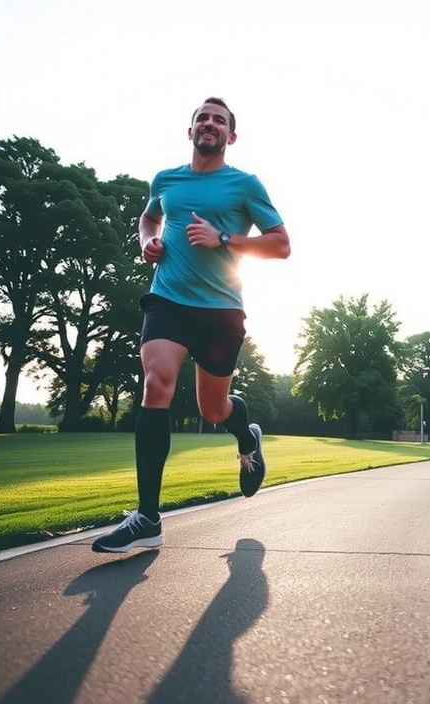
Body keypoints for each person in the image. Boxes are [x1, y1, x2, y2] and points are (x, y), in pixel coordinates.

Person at [93, 97, 290, 553]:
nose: (209, 123)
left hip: (220, 310)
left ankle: (246, 433)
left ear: (230, 137)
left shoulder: (244, 185)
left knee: (212, 411)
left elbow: (281, 245)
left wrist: (224, 238)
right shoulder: (166, 179)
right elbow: (149, 214)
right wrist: (148, 240)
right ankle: (147, 517)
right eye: (202, 117)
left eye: (219, 120)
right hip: (168, 300)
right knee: (156, 382)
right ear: (191, 131)